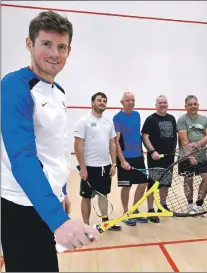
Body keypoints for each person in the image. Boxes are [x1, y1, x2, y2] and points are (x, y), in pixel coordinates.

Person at [1, 11, 99, 272]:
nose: (55, 53)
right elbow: (23, 159)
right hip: (21, 205)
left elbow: (54, 151)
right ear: (29, 44)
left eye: (62, 47)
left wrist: (61, 192)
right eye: (46, 44)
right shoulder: (14, 86)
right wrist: (59, 221)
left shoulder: (58, 92)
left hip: (46, 200)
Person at [74, 92, 121, 231]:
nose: (102, 102)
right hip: (89, 167)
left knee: (103, 195)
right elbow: (78, 145)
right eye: (99, 100)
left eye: (104, 101)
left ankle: (105, 221)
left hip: (105, 166)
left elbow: (112, 143)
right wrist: (83, 168)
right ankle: (85, 225)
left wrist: (113, 163)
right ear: (92, 102)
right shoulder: (83, 121)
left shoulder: (108, 122)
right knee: (86, 197)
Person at [113, 92, 149, 226]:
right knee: (126, 186)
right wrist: (121, 160)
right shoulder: (117, 117)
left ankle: (134, 209)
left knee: (143, 184)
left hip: (138, 157)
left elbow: (136, 135)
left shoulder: (137, 115)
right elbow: (116, 141)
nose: (131, 102)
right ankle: (126, 211)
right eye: (128, 100)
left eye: (133, 100)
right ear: (122, 102)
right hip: (125, 157)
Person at [141, 95, 177, 223]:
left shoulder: (172, 118)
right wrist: (152, 151)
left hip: (169, 158)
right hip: (155, 159)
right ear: (156, 105)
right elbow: (145, 136)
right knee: (152, 185)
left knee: (165, 183)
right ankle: (151, 210)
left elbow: (174, 137)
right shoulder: (151, 119)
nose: (163, 104)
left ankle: (162, 205)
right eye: (160, 103)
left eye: (165, 102)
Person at [177, 95, 207, 213]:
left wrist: (197, 144)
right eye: (190, 104)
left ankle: (199, 204)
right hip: (186, 157)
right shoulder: (182, 120)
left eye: (195, 104)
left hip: (201, 156)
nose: (193, 106)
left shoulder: (205, 120)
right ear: (185, 107)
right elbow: (183, 139)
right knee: (188, 180)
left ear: (198, 105)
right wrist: (190, 155)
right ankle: (189, 204)